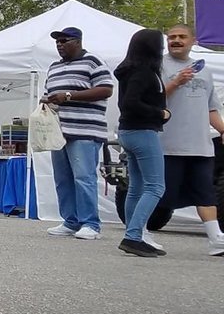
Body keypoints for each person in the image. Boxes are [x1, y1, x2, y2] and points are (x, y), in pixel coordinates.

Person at [41, 26, 115, 240]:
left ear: (78, 42)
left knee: (84, 178)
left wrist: (69, 95)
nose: (59, 44)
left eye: (64, 40)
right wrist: (47, 101)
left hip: (85, 130)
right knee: (63, 179)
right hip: (59, 131)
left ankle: (90, 223)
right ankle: (70, 221)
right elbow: (51, 93)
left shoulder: (92, 62)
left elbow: (106, 89)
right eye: (57, 42)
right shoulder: (54, 67)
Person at [158, 24, 224, 256]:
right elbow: (148, 98)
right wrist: (176, 82)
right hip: (168, 145)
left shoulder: (204, 71)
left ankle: (216, 238)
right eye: (171, 37)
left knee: (205, 192)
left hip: (200, 146)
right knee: (158, 195)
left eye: (181, 37)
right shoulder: (158, 65)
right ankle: (137, 233)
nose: (176, 40)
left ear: (193, 41)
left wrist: (223, 130)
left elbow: (211, 107)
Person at [114, 29, 169, 257]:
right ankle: (134, 235)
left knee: (136, 187)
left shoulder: (129, 71)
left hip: (128, 131)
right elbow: (130, 103)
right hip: (143, 131)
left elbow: (124, 104)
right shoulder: (144, 73)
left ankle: (134, 232)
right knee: (156, 186)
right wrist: (160, 113)